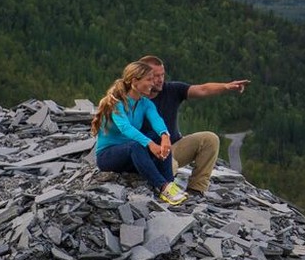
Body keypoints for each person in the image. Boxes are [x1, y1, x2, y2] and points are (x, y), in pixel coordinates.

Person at [141, 55, 249, 198]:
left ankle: (196, 190)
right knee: (169, 166)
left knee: (210, 139)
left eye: (162, 75)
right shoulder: (133, 99)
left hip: (174, 146)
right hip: (149, 152)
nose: (160, 79)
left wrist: (226, 86)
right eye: (155, 76)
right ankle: (161, 190)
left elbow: (202, 89)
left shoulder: (172, 90)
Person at [91, 59, 188, 207]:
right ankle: (162, 187)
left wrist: (165, 136)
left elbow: (157, 120)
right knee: (135, 146)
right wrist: (149, 144)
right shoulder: (115, 103)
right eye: (148, 79)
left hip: (132, 154)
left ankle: (170, 184)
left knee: (156, 137)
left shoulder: (145, 103)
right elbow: (125, 128)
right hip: (109, 157)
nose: (152, 83)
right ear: (134, 81)